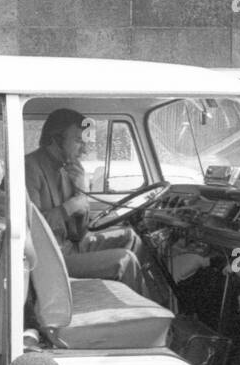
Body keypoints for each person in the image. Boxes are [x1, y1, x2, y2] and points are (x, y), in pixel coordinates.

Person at [24, 108, 148, 294]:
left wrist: (82, 193)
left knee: (131, 237)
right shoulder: (29, 168)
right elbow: (30, 229)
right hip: (49, 258)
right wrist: (70, 207)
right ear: (56, 140)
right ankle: (145, 319)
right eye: (78, 141)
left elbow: (78, 235)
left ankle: (142, 304)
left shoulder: (70, 170)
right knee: (125, 260)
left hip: (70, 246)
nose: (84, 149)